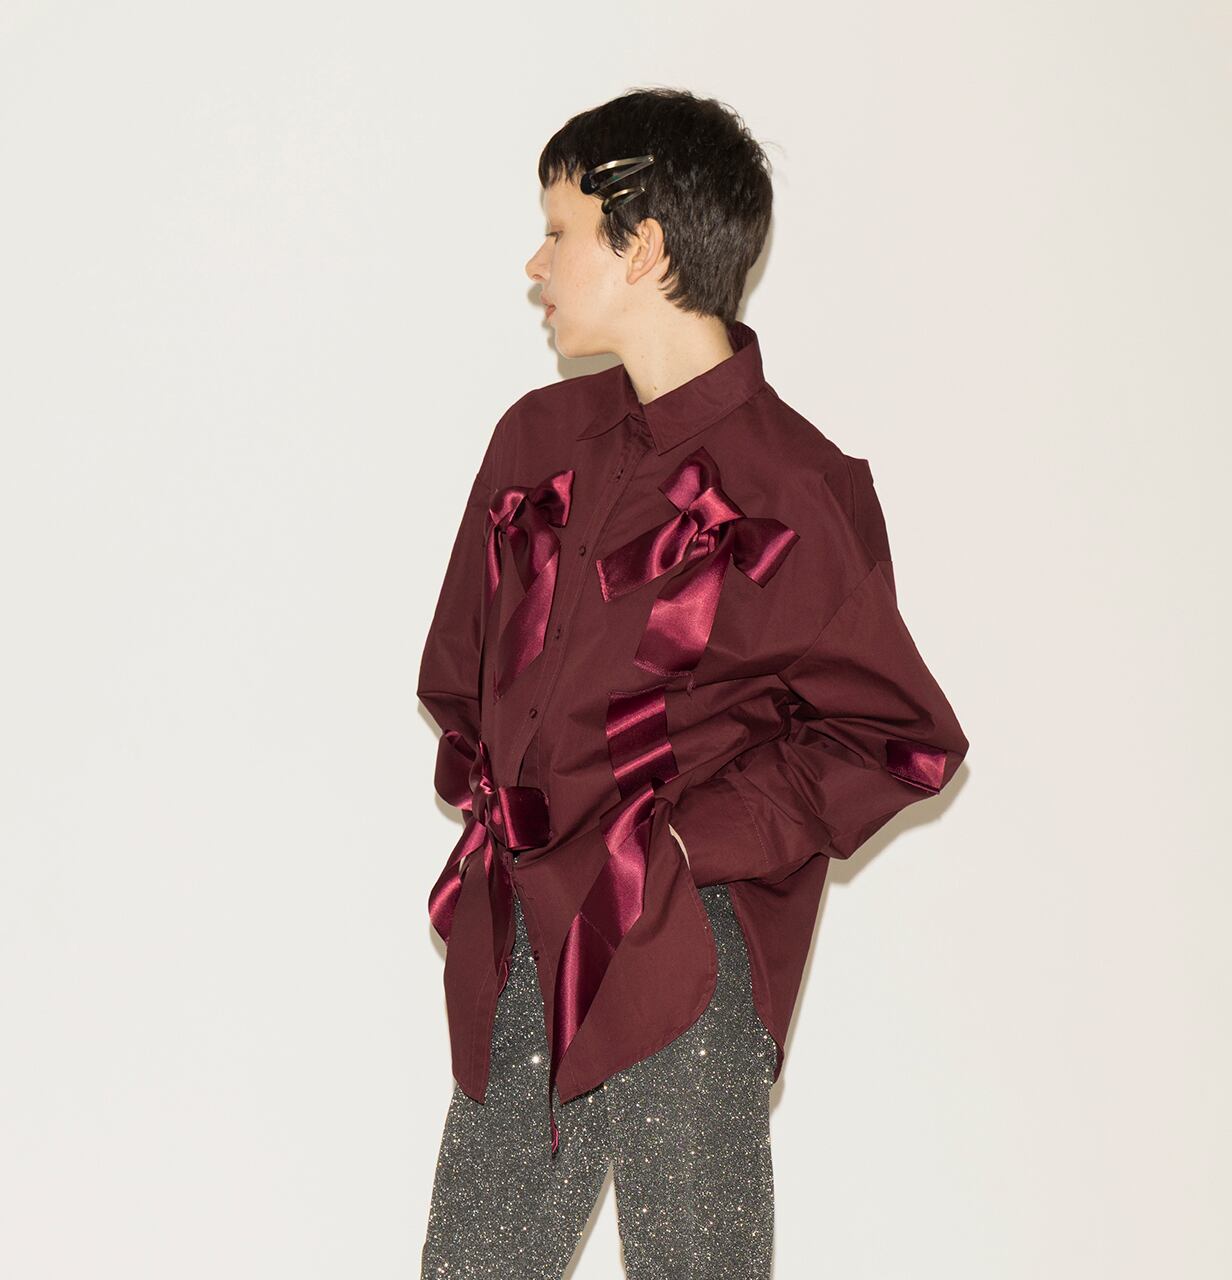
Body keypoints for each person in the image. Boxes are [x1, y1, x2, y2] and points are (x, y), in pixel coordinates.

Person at [416, 86, 969, 1279]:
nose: (535, 264)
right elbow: (461, 668)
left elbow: (897, 736)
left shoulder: (798, 487)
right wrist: (504, 811)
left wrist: (680, 842)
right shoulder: (534, 441)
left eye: (558, 231)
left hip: (684, 947)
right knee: (472, 1262)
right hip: (527, 928)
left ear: (643, 247)